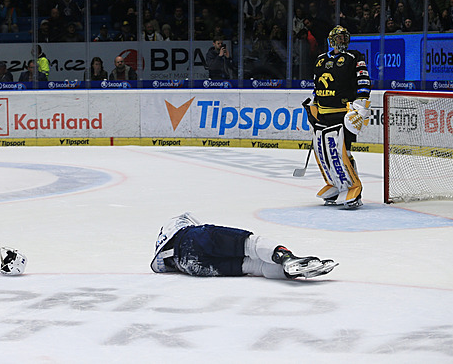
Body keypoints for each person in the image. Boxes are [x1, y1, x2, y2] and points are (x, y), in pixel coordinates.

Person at [151, 212, 337, 279]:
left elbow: (160, 267)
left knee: (251, 266)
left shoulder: (163, 250)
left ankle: (288, 272)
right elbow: (199, 228)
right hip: (194, 239)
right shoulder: (180, 224)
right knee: (250, 245)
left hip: (189, 266)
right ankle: (288, 259)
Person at [306, 25, 371, 209]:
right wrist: (314, 102)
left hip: (343, 114)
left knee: (343, 153)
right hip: (324, 114)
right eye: (339, 38)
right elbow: (317, 85)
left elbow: (364, 80)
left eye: (344, 38)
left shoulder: (354, 57)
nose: (342, 41)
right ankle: (335, 184)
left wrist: (361, 103)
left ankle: (353, 188)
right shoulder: (320, 60)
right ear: (331, 40)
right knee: (324, 153)